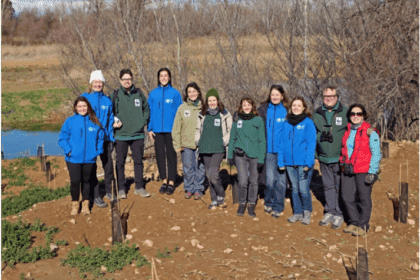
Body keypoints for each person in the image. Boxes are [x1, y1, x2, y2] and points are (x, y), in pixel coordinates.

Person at [58, 96, 104, 215]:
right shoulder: (70, 121)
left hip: (89, 159)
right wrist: (69, 150)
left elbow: (100, 137)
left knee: (87, 181)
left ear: (88, 107)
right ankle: (75, 205)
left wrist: (97, 151)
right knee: (75, 181)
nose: (82, 108)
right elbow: (62, 138)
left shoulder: (94, 121)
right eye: (79, 106)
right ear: (75, 108)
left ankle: (85, 205)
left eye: (84, 106)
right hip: (73, 158)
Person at [340, 104, 381, 236]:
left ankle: (363, 225)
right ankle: (354, 222)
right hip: (348, 168)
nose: (356, 116)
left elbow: (376, 153)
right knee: (346, 197)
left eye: (359, 114)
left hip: (364, 170)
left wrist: (372, 171)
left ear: (363, 115)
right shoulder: (347, 130)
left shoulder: (370, 132)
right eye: (353, 114)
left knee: (364, 198)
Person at [110, 69, 150, 199]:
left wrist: (142, 122)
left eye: (129, 79)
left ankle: (139, 187)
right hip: (120, 135)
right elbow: (108, 112)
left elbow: (146, 109)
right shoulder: (115, 95)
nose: (126, 81)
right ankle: (121, 188)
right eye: (124, 79)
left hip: (138, 135)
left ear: (132, 80)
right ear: (120, 81)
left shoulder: (139, 93)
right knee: (120, 162)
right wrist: (113, 122)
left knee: (138, 161)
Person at [312, 86, 348, 229]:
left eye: (332, 96)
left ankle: (339, 213)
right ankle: (330, 211)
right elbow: (313, 135)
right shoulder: (317, 113)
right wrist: (315, 155)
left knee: (339, 186)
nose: (329, 98)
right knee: (327, 186)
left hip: (339, 157)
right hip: (323, 157)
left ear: (337, 96)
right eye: (326, 96)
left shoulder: (345, 112)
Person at [278, 97, 316, 225]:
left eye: (299, 105)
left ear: (304, 108)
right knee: (294, 188)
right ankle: (297, 212)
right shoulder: (286, 123)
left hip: (303, 162)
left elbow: (311, 144)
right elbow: (282, 143)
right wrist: (281, 161)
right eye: (294, 105)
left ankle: (307, 211)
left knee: (303, 189)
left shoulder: (308, 123)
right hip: (289, 162)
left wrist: (308, 162)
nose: (296, 108)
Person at [81, 70, 115, 208]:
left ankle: (109, 190)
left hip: (105, 138)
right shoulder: (85, 98)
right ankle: (95, 196)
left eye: (100, 82)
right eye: (95, 82)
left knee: (108, 166)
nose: (97, 84)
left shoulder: (107, 100)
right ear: (91, 83)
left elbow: (111, 119)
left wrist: (111, 137)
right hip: (91, 140)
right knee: (92, 167)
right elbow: (79, 117)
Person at [228, 97, 266, 217]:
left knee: (254, 181)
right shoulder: (237, 120)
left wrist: (261, 158)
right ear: (241, 107)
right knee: (243, 180)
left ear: (252, 106)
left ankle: (251, 204)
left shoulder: (258, 120)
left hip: (255, 155)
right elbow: (232, 138)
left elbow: (262, 140)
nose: (246, 107)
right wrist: (229, 155)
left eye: (249, 105)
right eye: (244, 105)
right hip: (240, 155)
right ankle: (242, 203)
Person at [195, 88, 232, 210]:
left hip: (218, 148)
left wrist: (224, 141)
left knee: (213, 173)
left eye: (214, 100)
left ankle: (221, 194)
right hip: (204, 148)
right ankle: (214, 199)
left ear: (217, 100)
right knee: (208, 174)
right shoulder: (202, 114)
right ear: (206, 101)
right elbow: (197, 129)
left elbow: (230, 130)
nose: (212, 102)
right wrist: (198, 141)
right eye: (209, 100)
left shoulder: (225, 114)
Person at [148, 67, 182, 195]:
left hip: (171, 130)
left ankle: (172, 181)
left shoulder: (175, 93)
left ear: (169, 77)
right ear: (158, 78)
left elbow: (179, 114)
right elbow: (149, 112)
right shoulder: (153, 93)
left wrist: (178, 130)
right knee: (160, 156)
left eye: (166, 75)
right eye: (161, 75)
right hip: (157, 130)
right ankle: (164, 180)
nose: (163, 78)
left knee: (171, 155)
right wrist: (150, 128)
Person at [257, 85, 288, 219]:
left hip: (282, 152)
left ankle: (278, 206)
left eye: (277, 95)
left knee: (281, 182)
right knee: (269, 181)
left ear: (282, 96)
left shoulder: (287, 111)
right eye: (272, 95)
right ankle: (268, 201)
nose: (274, 97)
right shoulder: (263, 110)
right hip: (268, 151)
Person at [172, 82, 206, 200]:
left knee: (200, 168)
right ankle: (189, 188)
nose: (192, 94)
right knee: (188, 168)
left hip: (201, 144)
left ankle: (198, 189)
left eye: (194, 91)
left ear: (198, 92)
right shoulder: (182, 108)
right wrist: (177, 144)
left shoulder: (204, 107)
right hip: (186, 144)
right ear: (186, 94)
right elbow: (177, 127)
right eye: (189, 92)